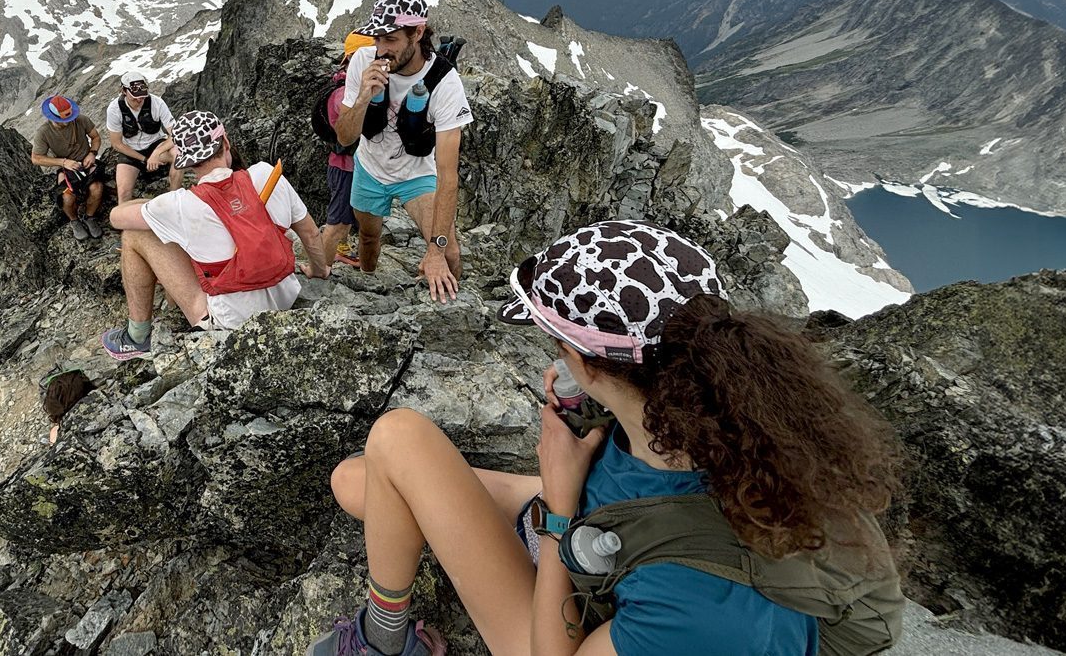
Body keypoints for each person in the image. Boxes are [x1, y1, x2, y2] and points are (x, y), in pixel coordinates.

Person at [312, 220, 903, 656]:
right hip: (622, 532)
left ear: (594, 362)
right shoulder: (706, 406)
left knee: (397, 440)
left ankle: (382, 640)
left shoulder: (700, 611)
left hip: (626, 575)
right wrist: (589, 413)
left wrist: (562, 513)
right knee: (357, 482)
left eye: (560, 343)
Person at [103, 110, 331, 359]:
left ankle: (136, 337)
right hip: (285, 298)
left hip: (232, 323)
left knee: (134, 236)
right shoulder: (267, 175)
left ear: (185, 162)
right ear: (226, 142)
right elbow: (309, 232)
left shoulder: (177, 205)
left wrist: (149, 203)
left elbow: (116, 217)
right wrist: (319, 270)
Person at [334, 0, 471, 302]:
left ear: (418, 32)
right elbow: (343, 137)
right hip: (369, 167)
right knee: (368, 238)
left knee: (449, 252)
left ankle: (449, 309)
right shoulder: (363, 62)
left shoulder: (445, 83)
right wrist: (364, 97)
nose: (381, 49)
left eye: (391, 40)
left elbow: (448, 176)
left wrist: (434, 252)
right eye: (377, 38)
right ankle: (368, 286)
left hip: (416, 174)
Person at [321, 31, 374, 270]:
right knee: (339, 222)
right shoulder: (344, 93)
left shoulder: (343, 87)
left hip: (344, 164)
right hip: (346, 167)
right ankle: (319, 268)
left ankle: (340, 251)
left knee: (347, 217)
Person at [30, 94, 105, 240]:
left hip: (86, 162)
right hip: (64, 167)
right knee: (66, 197)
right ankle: (74, 221)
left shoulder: (81, 119)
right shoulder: (43, 133)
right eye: (63, 120)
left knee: (97, 189)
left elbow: (95, 137)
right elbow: (36, 158)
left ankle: (89, 217)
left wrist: (92, 153)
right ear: (52, 117)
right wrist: (63, 163)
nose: (68, 121)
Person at [106, 69, 180, 202]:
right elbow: (117, 144)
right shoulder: (114, 109)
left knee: (178, 154)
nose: (139, 99)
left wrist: (156, 153)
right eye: (135, 96)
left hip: (156, 143)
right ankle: (125, 219)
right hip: (130, 151)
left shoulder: (157, 103)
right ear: (124, 91)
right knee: (123, 192)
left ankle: (175, 197)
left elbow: (175, 134)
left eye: (143, 95)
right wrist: (145, 159)